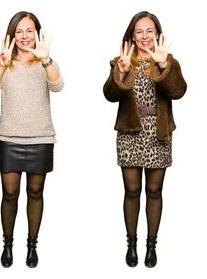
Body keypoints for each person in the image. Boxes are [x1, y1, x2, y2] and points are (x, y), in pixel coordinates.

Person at [103, 11, 186, 268]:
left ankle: (151, 245)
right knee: (132, 190)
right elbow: (109, 94)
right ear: (132, 35)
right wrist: (122, 72)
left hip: (158, 133)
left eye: (149, 31)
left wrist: (163, 66)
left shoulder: (167, 61)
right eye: (139, 31)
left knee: (154, 190)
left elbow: (179, 91)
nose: (144, 36)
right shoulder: (121, 61)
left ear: (157, 34)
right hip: (130, 133)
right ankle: (131, 244)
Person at [0, 11, 64, 268]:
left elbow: (58, 85)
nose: (25, 36)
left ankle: (32, 245)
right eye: (19, 31)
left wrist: (47, 59)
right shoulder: (4, 60)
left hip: (41, 137)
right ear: (12, 35)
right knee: (9, 194)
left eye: (29, 30)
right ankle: (7, 244)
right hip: (9, 138)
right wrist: (1, 64)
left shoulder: (45, 61)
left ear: (37, 33)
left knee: (35, 192)